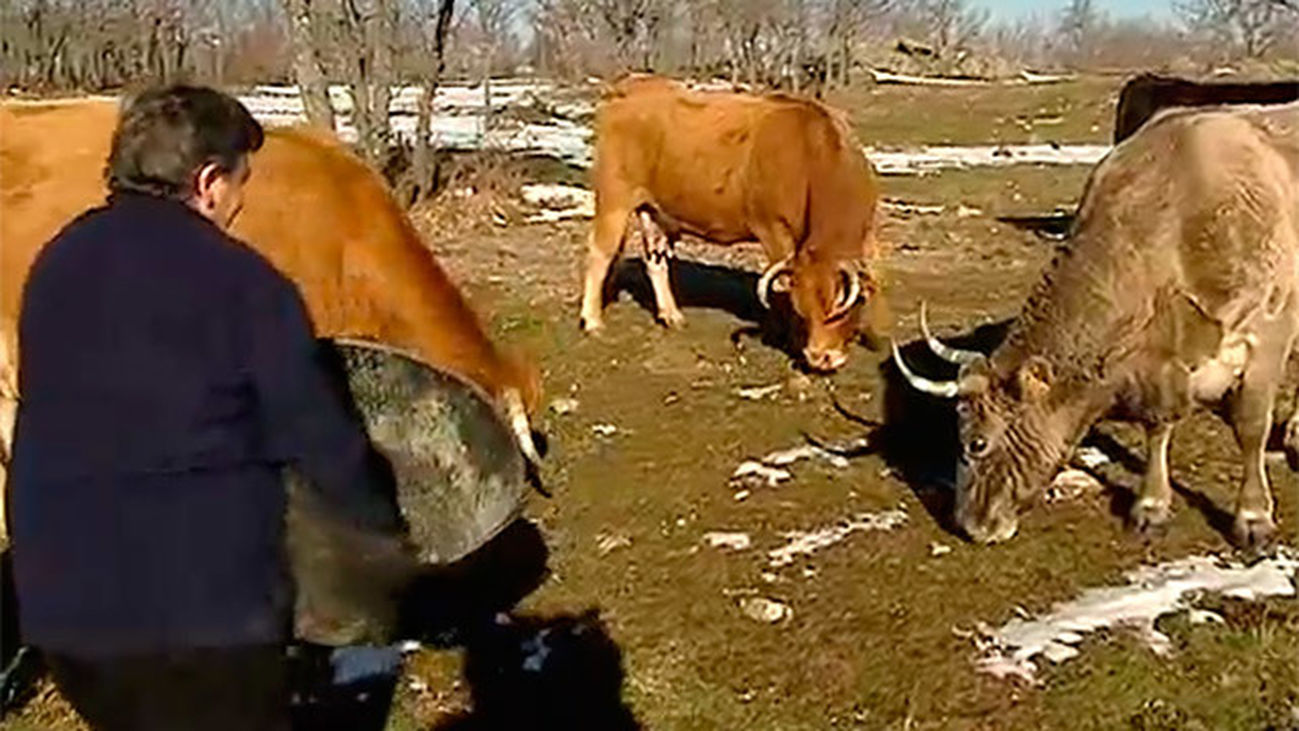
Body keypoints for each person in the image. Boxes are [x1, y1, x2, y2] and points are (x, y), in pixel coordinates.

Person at [6, 85, 409, 730]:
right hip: (205, 625)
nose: (241, 204)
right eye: (239, 184)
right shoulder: (244, 283)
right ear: (208, 181)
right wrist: (386, 528)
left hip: (66, 616)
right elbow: (318, 437)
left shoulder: (56, 263)